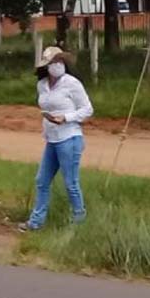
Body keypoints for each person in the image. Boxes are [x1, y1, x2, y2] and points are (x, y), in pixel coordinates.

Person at [21, 46, 94, 232]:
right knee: (42, 180)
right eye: (52, 62)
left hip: (69, 137)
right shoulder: (42, 85)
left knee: (71, 183)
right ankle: (36, 222)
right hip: (51, 139)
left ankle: (79, 220)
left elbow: (87, 109)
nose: (56, 65)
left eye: (59, 61)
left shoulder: (72, 83)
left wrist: (66, 118)